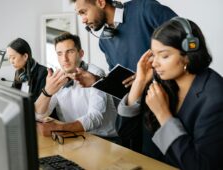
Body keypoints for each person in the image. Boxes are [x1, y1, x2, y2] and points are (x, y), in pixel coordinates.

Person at [116, 17, 223, 169]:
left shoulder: (215, 97)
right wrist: (139, 82)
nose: (154, 63)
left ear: (188, 54)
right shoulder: (161, 81)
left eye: (164, 55)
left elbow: (200, 165)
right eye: (154, 54)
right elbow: (125, 134)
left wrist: (163, 115)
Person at [70, 0, 177, 87]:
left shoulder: (145, 9)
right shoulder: (104, 41)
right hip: (143, 106)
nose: (83, 20)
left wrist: (148, 72)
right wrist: (96, 80)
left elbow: (184, 37)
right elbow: (120, 80)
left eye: (83, 12)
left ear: (101, 2)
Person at [35, 32, 118, 142]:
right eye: (59, 54)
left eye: (70, 52)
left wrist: (59, 128)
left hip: (105, 139)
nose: (64, 59)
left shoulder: (96, 74)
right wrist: (47, 92)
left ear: (81, 53)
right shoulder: (58, 77)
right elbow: (40, 115)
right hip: (74, 136)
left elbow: (95, 117)